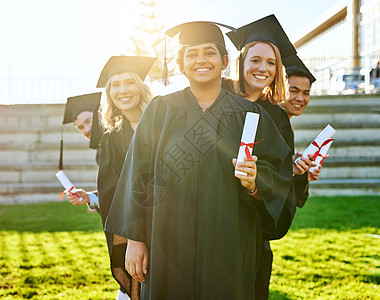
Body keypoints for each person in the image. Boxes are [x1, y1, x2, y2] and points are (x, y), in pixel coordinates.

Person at [105, 21, 293, 299]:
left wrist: (256, 182)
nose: (201, 60)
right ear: (181, 64)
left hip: (229, 244)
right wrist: (135, 237)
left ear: (225, 61)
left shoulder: (249, 114)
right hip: (165, 242)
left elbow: (278, 174)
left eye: (209, 52)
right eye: (191, 54)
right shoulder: (160, 111)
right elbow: (138, 174)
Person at [226, 15, 314, 300]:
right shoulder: (217, 98)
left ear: (278, 70)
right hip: (208, 215)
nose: (263, 68)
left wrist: (293, 171)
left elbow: (280, 174)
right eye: (255, 60)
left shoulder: (277, 115)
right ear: (241, 61)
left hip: (251, 225)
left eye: (271, 62)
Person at [66, 56, 156, 300]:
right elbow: (113, 191)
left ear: (141, 86)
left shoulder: (164, 122)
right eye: (115, 85)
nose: (123, 90)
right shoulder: (113, 138)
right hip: (138, 225)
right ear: (109, 94)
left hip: (171, 220)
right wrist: (133, 237)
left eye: (129, 82)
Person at [61, 92, 102, 211]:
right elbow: (112, 191)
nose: (87, 130)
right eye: (81, 128)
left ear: (100, 115)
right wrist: (89, 197)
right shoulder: (101, 149)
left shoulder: (117, 143)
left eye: (88, 121)